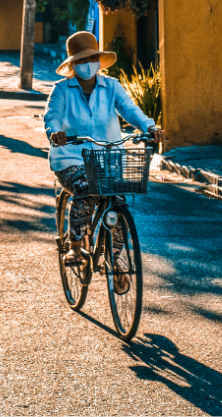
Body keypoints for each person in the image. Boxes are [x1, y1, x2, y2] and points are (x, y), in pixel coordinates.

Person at [44, 31, 166, 268]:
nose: (87, 64)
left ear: (99, 60)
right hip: (70, 157)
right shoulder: (61, 89)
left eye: (91, 59)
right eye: (81, 60)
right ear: (72, 64)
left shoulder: (112, 87)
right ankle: (76, 248)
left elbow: (130, 110)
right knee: (86, 189)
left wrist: (149, 127)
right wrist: (54, 132)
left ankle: (115, 260)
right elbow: (52, 116)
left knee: (118, 201)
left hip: (106, 157)